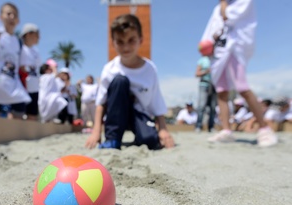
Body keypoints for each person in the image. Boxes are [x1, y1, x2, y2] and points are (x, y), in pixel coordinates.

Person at [85, 14, 175, 150]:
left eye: (131, 40)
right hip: (116, 114)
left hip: (138, 114)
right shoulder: (110, 69)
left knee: (150, 140)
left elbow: (156, 100)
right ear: (113, 43)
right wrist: (96, 132)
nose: (126, 47)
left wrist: (163, 128)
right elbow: (100, 103)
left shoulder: (150, 69)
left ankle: (143, 135)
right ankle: (113, 139)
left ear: (141, 40)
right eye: (120, 41)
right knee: (120, 81)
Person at [202, 0, 277, 147]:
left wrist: (223, 3)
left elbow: (227, 17)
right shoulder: (217, 8)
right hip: (219, 53)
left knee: (242, 88)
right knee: (222, 92)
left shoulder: (243, 1)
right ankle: (226, 130)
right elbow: (211, 30)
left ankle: (264, 128)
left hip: (234, 48)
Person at [0, 2, 31, 119]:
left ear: (18, 20)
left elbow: (21, 66)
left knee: (20, 106)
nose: (12, 17)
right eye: (9, 14)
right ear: (0, 17)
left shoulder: (19, 42)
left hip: (13, 82)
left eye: (15, 15)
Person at [19, 23, 41, 121]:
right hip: (22, 85)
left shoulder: (36, 51)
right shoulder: (20, 48)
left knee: (32, 114)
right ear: (28, 34)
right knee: (18, 113)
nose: (39, 37)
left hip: (34, 87)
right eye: (37, 35)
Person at [195, 41, 217, 132]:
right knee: (201, 106)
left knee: (213, 107)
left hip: (214, 85)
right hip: (204, 84)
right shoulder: (202, 60)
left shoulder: (215, 59)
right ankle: (198, 126)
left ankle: (211, 127)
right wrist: (206, 71)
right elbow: (197, 73)